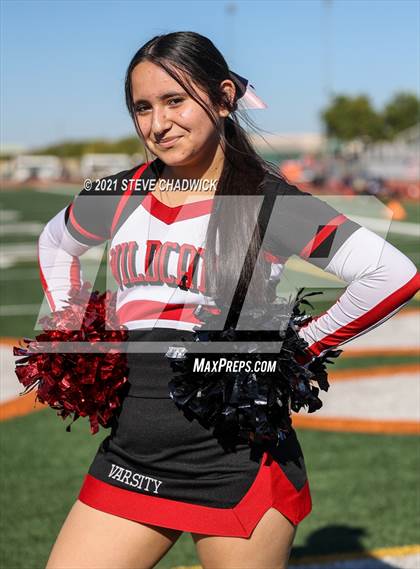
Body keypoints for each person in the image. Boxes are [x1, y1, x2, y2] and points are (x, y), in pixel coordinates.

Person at [40, 31, 419, 569]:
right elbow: (55, 243)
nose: (157, 123)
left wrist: (295, 351)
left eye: (175, 100)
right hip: (132, 454)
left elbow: (391, 274)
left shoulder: (270, 201)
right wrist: (70, 327)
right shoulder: (114, 194)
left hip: (236, 462)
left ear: (222, 98)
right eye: (142, 108)